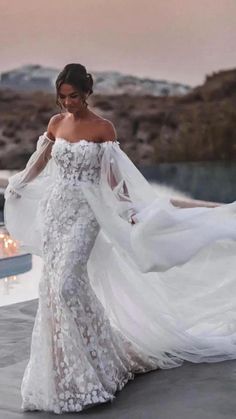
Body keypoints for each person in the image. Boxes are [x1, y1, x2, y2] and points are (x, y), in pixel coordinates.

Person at [4, 63, 236, 415]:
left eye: (75, 96)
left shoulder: (102, 129)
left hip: (86, 214)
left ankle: (99, 357)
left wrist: (131, 211)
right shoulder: (56, 124)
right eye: (63, 97)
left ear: (88, 93)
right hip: (55, 213)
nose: (68, 104)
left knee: (67, 284)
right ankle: (68, 366)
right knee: (54, 289)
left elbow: (114, 180)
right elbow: (39, 162)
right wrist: (18, 183)